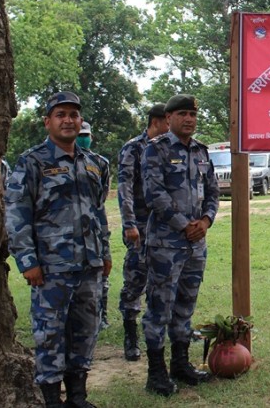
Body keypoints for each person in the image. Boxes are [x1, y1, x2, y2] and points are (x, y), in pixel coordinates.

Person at [5, 91, 111, 408]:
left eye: (73, 115)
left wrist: (104, 253)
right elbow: (16, 215)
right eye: (61, 114)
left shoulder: (96, 164)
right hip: (51, 269)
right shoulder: (32, 162)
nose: (68, 120)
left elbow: (99, 212)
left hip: (89, 266)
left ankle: (77, 397)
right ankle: (52, 400)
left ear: (81, 122)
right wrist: (27, 261)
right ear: (47, 121)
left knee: (85, 333)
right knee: (49, 336)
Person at [141, 94, 219, 396]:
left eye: (193, 115)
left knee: (185, 306)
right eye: (183, 114)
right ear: (169, 118)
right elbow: (154, 195)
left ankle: (181, 364)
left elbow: (213, 192)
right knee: (159, 308)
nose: (189, 119)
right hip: (166, 245)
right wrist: (183, 225)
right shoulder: (155, 150)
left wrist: (206, 221)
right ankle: (156, 373)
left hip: (195, 246)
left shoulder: (201, 151)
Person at [117, 103, 169, 362]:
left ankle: (161, 332)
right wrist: (129, 223)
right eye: (167, 122)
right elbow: (125, 187)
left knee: (164, 281)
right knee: (135, 279)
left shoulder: (170, 148)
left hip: (165, 227)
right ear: (156, 122)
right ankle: (130, 335)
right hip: (140, 225)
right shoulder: (133, 148)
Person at [78, 121, 112, 332]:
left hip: (95, 231)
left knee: (101, 275)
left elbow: (102, 197)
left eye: (86, 135)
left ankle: (102, 315)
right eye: (80, 135)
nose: (83, 138)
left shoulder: (100, 162)